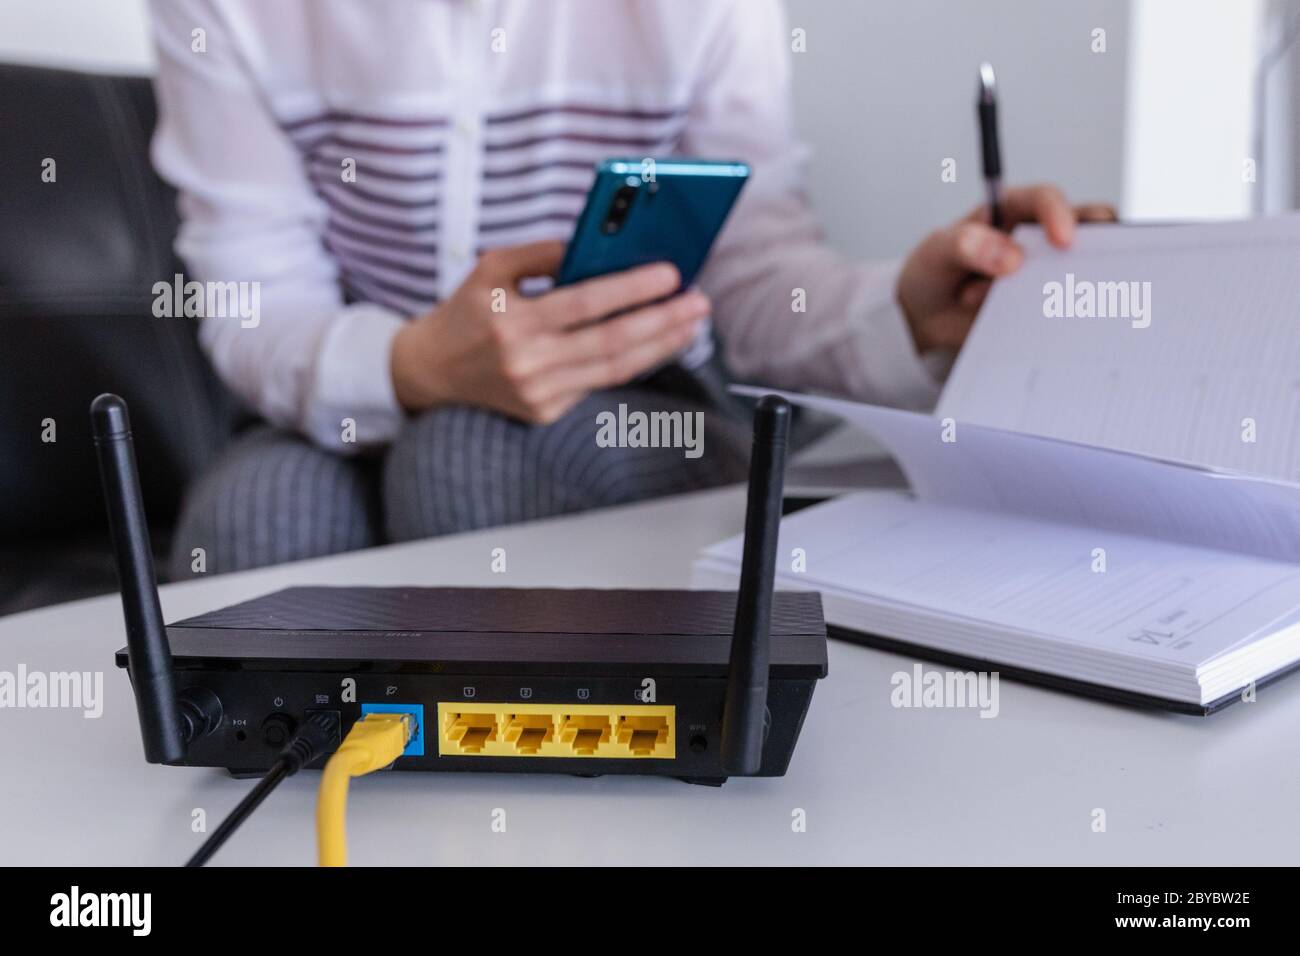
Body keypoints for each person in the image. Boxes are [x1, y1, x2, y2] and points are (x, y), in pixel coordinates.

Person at [148, 0, 1112, 577]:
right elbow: (252, 299)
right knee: (257, 513)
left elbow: (758, 280)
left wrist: (907, 311)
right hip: (348, 405)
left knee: (470, 453)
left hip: (641, 410)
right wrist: (412, 365)